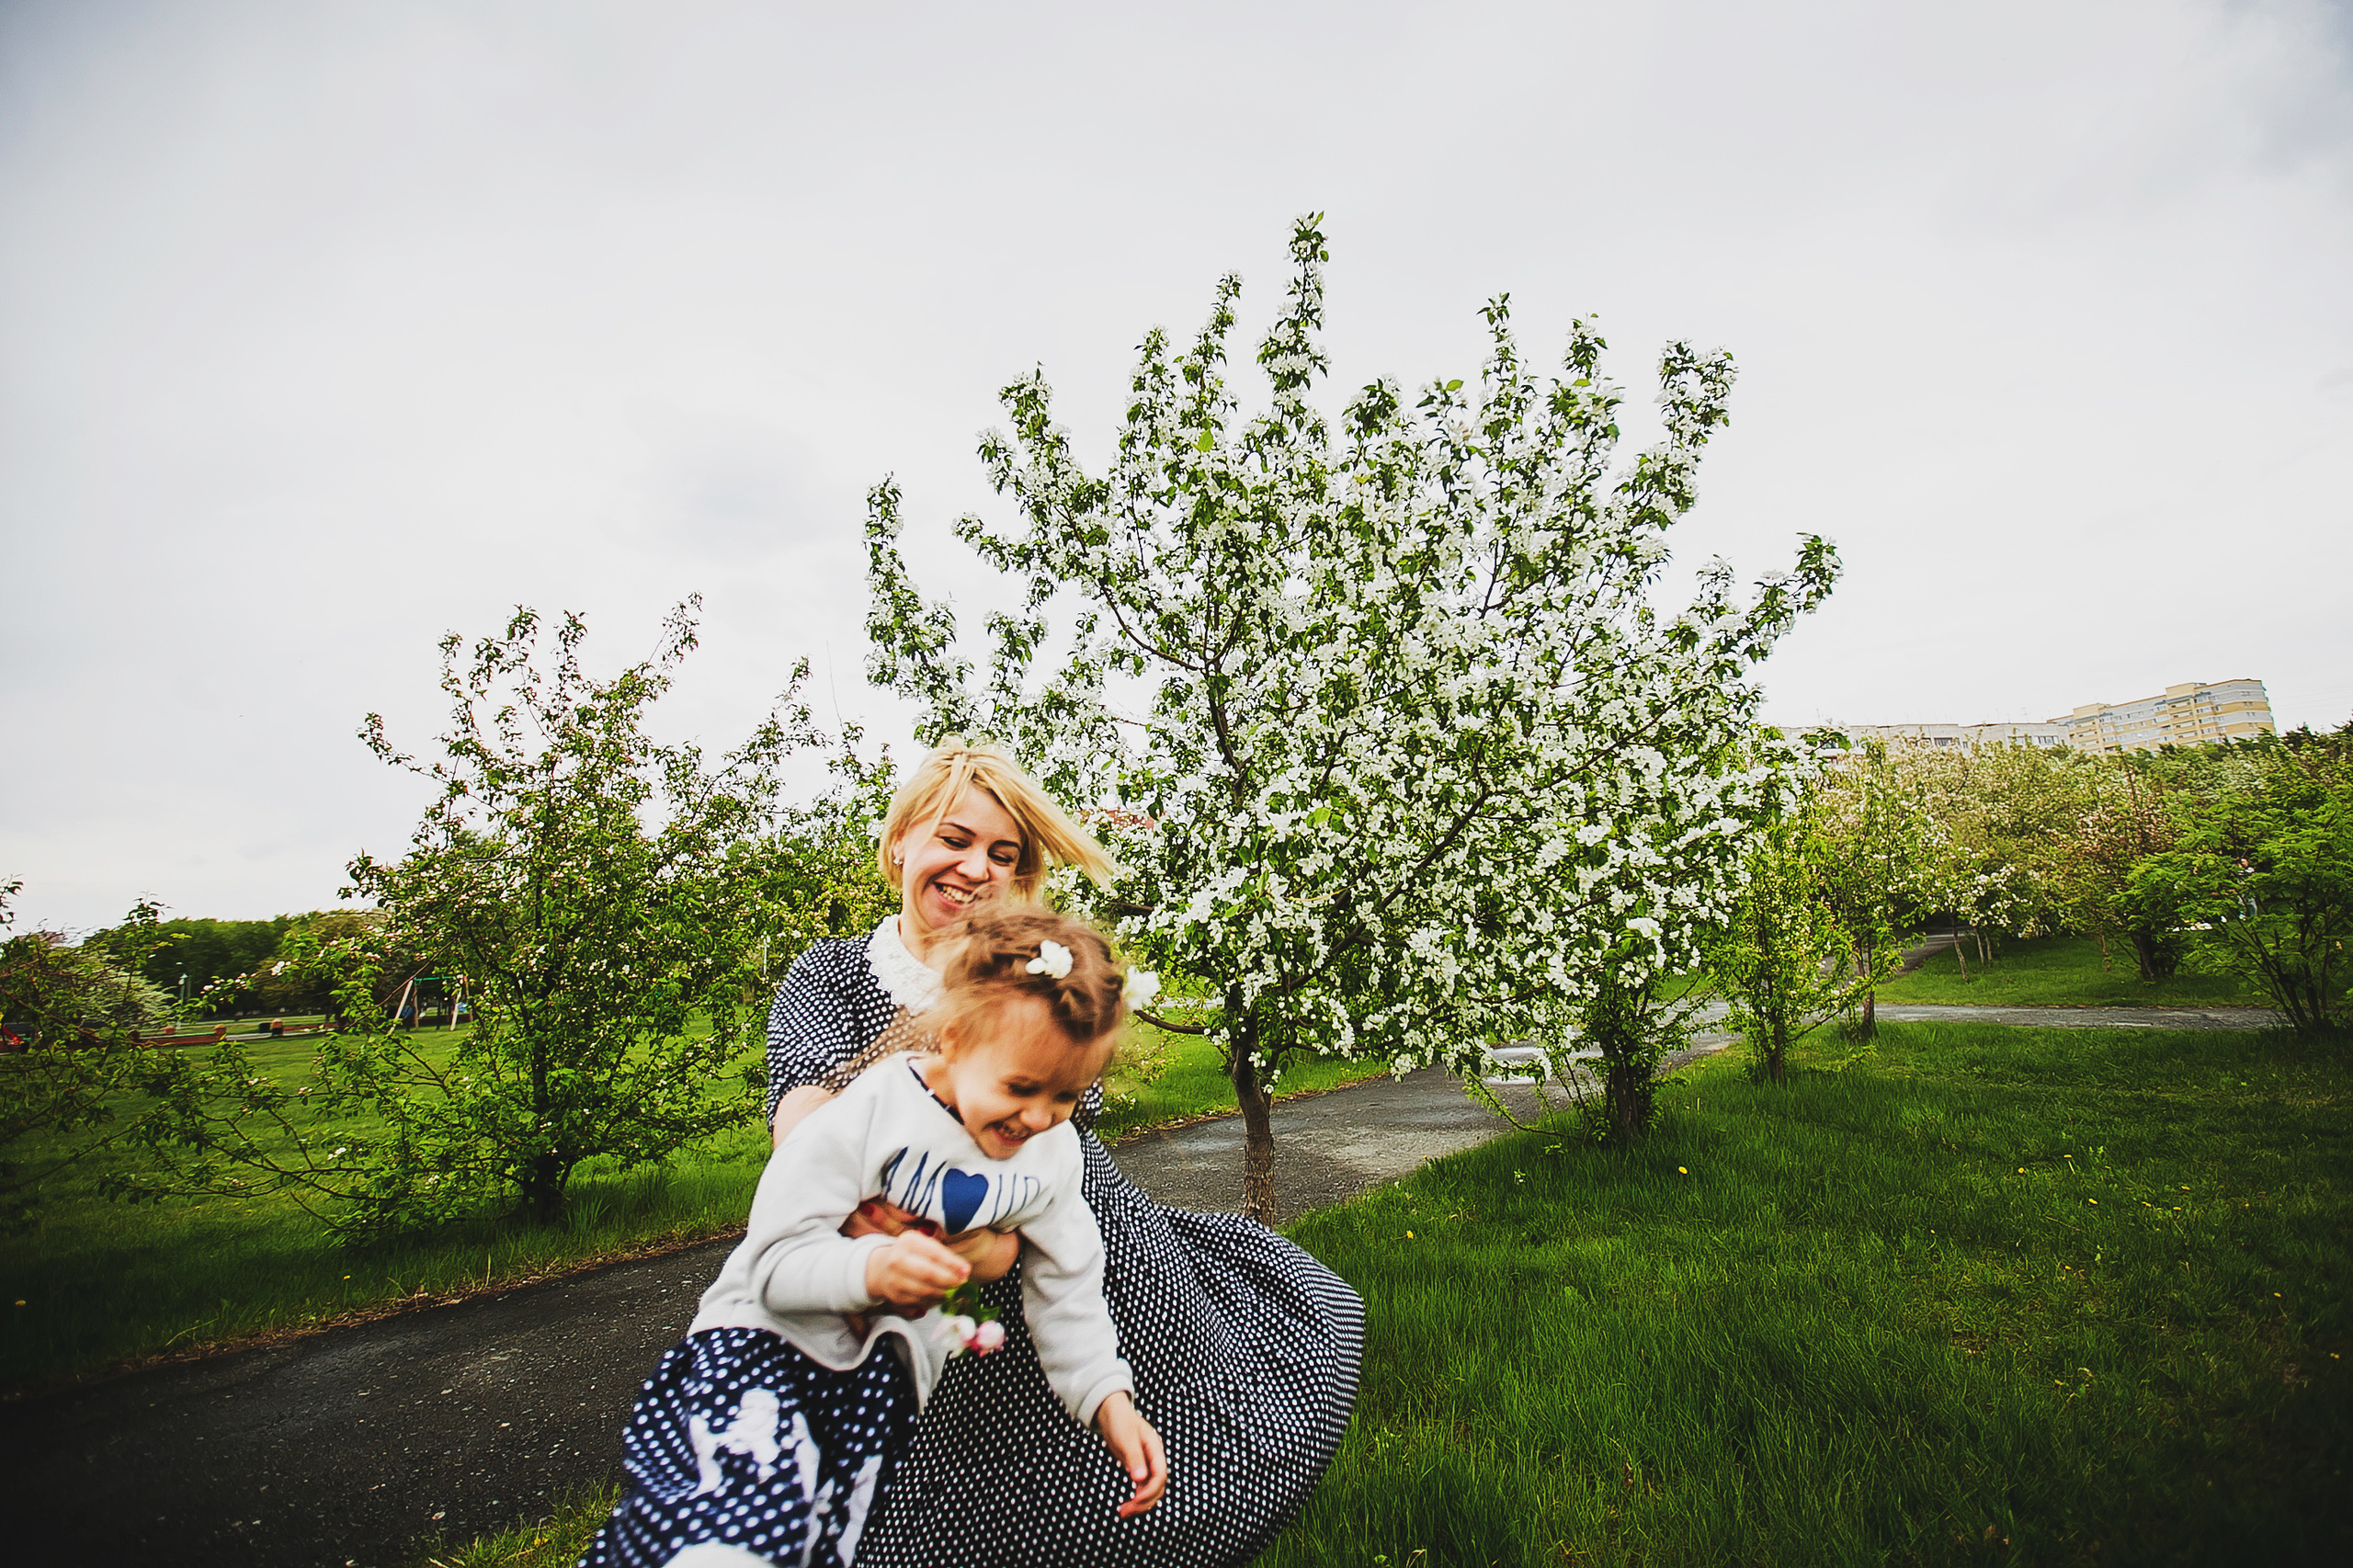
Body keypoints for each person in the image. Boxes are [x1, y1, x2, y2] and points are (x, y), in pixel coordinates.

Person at [765, 739, 1363, 1566]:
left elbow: (1040, 1169)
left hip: (1083, 1252)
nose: (976, 868)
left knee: (1160, 1453)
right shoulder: (835, 974)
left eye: (1001, 854)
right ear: (901, 840)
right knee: (967, 1506)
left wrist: (967, 1232)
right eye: (955, 839)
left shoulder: (1032, 975)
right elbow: (801, 1121)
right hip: (930, 1303)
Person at [585, 908, 1165, 1568]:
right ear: (953, 1038)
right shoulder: (875, 1111)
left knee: (816, 1546)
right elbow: (773, 1261)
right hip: (764, 1348)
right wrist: (873, 1269)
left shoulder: (1051, 1155)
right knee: (730, 1534)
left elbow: (1069, 1292)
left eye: (1066, 1095)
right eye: (1021, 1088)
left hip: (883, 1389)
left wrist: (1109, 1402)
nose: (1038, 1117)